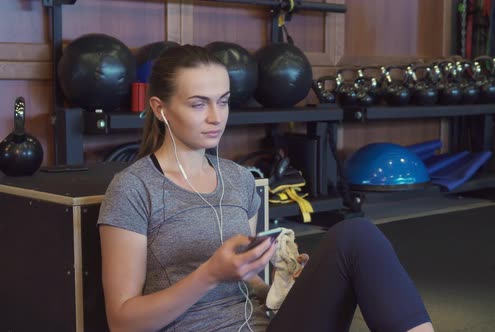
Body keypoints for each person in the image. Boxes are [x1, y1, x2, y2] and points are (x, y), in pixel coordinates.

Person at [97, 44, 435, 332]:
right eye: (199, 104)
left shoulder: (239, 180)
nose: (217, 117)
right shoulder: (133, 188)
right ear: (160, 108)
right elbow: (123, 320)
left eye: (224, 101)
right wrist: (209, 275)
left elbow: (249, 282)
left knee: (356, 235)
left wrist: (280, 285)